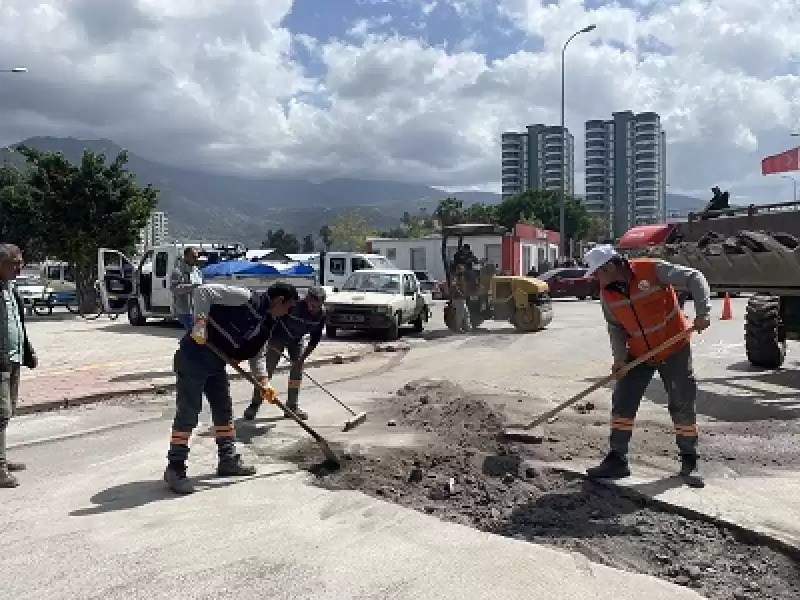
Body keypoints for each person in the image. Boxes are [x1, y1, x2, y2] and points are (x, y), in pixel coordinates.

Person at [583, 244, 711, 483]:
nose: (596, 279)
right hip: (639, 352)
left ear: (610, 266)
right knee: (623, 401)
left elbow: (695, 277)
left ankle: (690, 459)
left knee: (681, 402)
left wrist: (703, 311)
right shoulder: (606, 292)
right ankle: (617, 459)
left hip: (673, 347)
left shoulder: (652, 270)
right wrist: (620, 359)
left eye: (598, 272)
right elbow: (615, 328)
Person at [164, 281, 298, 494]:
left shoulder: (266, 322)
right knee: (189, 413)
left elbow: (257, 354)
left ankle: (228, 461)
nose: (287, 313)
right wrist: (200, 324)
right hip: (193, 357)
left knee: (223, 411)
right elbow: (203, 291)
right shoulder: (244, 297)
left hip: (217, 363)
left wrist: (264, 382)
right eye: (288, 307)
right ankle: (175, 468)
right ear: (278, 300)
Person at [242, 286, 327, 422]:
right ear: (307, 299)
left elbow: (314, 340)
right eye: (312, 305)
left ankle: (291, 407)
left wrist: (301, 360)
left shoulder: (321, 315)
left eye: (317, 306)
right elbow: (273, 316)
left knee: (296, 372)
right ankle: (254, 406)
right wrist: (266, 337)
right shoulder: (294, 305)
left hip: (296, 340)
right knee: (266, 371)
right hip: (277, 338)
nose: (313, 309)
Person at [0, 244, 38, 488]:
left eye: (20, 262)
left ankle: (2, 458)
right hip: (0, 362)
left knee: (9, 410)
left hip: (14, 359)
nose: (19, 267)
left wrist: (28, 349)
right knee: (0, 414)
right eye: (14, 263)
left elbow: (17, 322)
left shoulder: (11, 288)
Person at [171, 247, 203, 331]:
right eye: (194, 257)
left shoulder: (197, 270)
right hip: (185, 310)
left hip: (198, 309)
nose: (196, 259)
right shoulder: (177, 271)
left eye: (197, 256)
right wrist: (192, 286)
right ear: (186, 256)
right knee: (195, 335)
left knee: (199, 336)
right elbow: (175, 289)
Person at [450, 266, 471, 333]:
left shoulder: (461, 277)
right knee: (460, 314)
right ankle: (457, 329)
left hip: (462, 299)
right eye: (461, 270)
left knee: (466, 313)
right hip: (458, 299)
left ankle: (467, 327)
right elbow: (454, 286)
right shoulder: (456, 278)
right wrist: (460, 293)